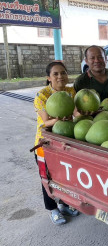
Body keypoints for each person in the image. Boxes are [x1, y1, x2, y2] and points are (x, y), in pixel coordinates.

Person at [34, 61, 80, 225]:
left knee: (64, 177)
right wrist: (58, 119)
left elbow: (76, 113)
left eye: (63, 73)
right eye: (56, 74)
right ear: (49, 78)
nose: (60, 76)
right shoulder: (42, 95)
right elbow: (46, 121)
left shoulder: (70, 91)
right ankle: (52, 209)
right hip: (45, 144)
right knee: (47, 178)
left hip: (66, 140)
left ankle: (65, 205)